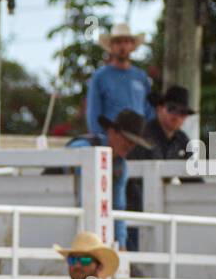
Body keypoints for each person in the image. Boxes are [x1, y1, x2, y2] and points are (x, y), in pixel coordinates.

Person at [67, 109, 152, 250]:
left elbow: (118, 206)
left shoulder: (120, 166)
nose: (130, 146)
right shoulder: (83, 147)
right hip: (71, 217)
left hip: (88, 226)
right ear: (112, 132)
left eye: (133, 142)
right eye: (127, 139)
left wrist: (121, 244)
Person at [85, 22, 154, 142]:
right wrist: (100, 140)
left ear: (132, 46)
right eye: (118, 42)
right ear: (111, 46)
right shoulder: (100, 76)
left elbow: (149, 110)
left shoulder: (141, 77)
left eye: (126, 41)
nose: (122, 46)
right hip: (112, 140)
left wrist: (148, 137)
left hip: (138, 140)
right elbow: (93, 113)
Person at [130, 84, 192, 161]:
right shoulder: (142, 136)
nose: (177, 116)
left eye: (183, 112)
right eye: (172, 109)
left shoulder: (184, 141)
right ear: (159, 109)